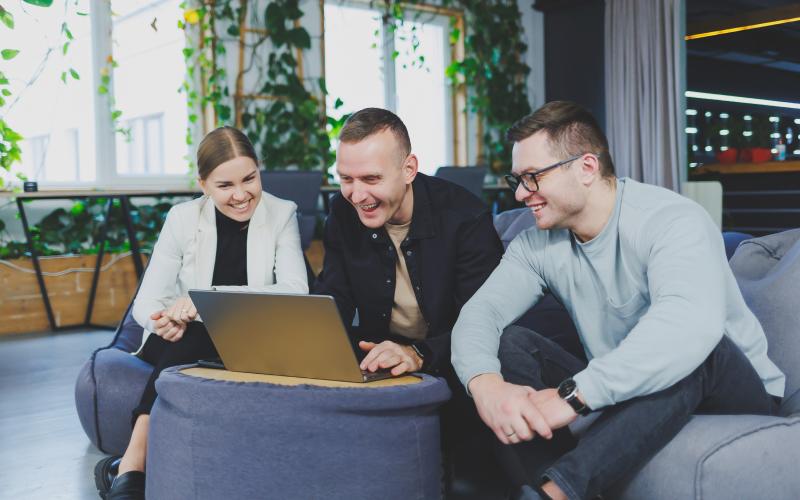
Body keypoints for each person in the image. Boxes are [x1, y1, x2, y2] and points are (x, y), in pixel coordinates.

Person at [451, 101, 785, 500]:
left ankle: (555, 492)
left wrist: (573, 396)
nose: (522, 193)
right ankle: (550, 479)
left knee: (699, 348)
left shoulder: (672, 220)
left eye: (533, 177)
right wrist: (485, 385)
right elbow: (480, 313)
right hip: (626, 390)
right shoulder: (536, 243)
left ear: (587, 167)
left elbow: (688, 327)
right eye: (517, 179)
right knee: (511, 343)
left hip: (730, 388)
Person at [95, 126, 308, 499]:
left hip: (248, 337)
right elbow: (146, 303)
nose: (241, 195)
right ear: (203, 184)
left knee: (202, 331)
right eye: (225, 185)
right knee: (193, 334)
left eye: (250, 179)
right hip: (179, 338)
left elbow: (295, 290)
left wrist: (209, 298)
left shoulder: (282, 213)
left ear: (260, 170)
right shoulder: (182, 218)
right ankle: (134, 461)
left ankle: (129, 466)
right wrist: (160, 323)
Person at [313, 107, 504, 488]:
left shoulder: (465, 217)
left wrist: (419, 354)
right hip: (381, 361)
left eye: (371, 178)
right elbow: (334, 296)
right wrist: (309, 339)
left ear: (409, 169)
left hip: (457, 363)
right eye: (346, 179)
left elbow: (486, 325)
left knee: (470, 476)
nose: (357, 194)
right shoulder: (342, 211)